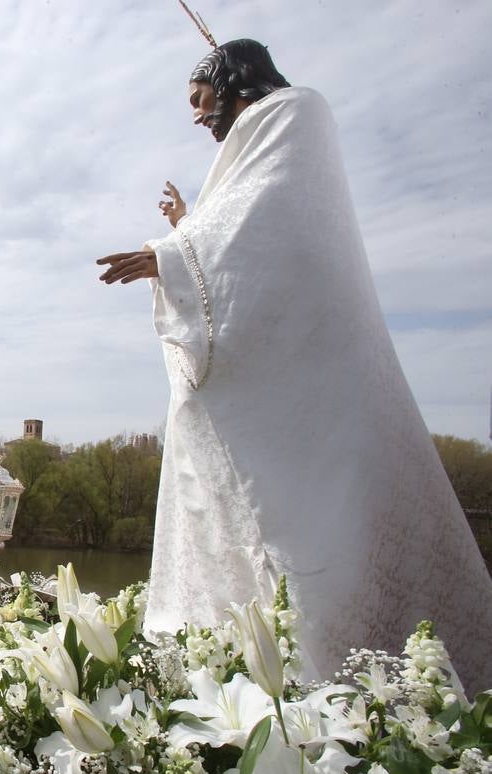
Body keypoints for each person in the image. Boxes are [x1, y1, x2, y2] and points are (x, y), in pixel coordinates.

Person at [96, 38, 492, 686]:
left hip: (311, 360)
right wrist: (181, 232)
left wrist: (169, 253)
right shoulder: (252, 144)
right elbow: (238, 236)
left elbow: (270, 226)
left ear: (232, 80)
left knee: (323, 531)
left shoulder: (295, 113)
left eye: (200, 100)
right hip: (272, 355)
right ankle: (227, 668)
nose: (197, 117)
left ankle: (339, 681)